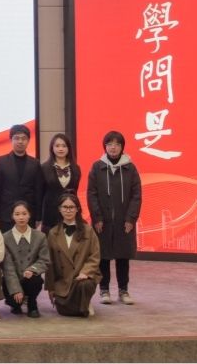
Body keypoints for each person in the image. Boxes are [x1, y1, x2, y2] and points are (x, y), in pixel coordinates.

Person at [86, 131, 142, 306]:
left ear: (122, 147)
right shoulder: (97, 167)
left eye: (117, 144)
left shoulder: (130, 168)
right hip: (103, 222)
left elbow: (136, 196)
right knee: (103, 256)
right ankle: (104, 290)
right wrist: (97, 218)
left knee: (122, 257)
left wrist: (130, 219)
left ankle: (123, 291)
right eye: (109, 144)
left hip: (123, 222)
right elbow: (92, 194)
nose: (113, 147)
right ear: (105, 146)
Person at [46, 193, 101, 317]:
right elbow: (50, 262)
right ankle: (78, 305)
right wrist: (50, 288)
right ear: (59, 209)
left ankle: (85, 303)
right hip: (62, 280)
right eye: (65, 207)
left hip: (81, 277)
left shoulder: (88, 230)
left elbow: (95, 255)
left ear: (77, 209)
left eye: (71, 207)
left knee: (84, 285)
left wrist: (85, 272)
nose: (68, 210)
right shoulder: (53, 233)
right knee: (63, 311)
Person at [2, 201, 50, 318]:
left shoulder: (40, 236)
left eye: (24, 213)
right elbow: (8, 267)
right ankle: (15, 303)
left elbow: (45, 260)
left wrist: (33, 269)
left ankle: (32, 304)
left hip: (30, 277)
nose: (21, 217)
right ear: (12, 216)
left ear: (29, 215)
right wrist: (16, 289)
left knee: (36, 280)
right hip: (13, 278)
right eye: (17, 214)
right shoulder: (5, 238)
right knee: (14, 301)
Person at [0, 124, 43, 231]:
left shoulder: (35, 163)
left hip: (28, 214)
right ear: (11, 140)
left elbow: (38, 192)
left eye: (24, 138)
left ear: (28, 140)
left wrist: (39, 216)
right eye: (17, 138)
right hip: (6, 214)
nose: (20, 141)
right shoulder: (1, 162)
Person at [40, 133, 82, 233]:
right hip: (50, 214)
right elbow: (40, 194)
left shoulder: (76, 168)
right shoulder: (44, 168)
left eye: (64, 146)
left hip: (70, 213)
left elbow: (75, 193)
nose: (61, 149)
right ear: (52, 148)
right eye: (57, 146)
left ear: (68, 148)